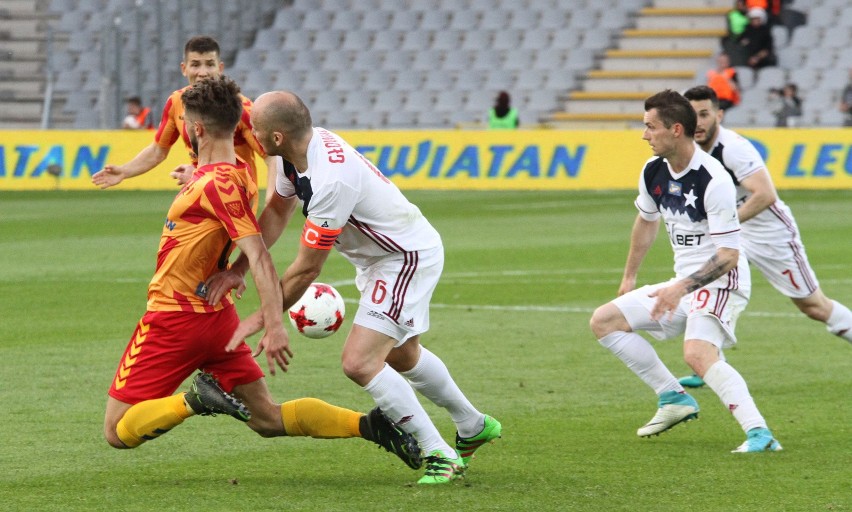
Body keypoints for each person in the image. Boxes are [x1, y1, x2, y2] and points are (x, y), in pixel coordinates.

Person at [102, 76, 422, 474]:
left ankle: (197, 400)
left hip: (174, 317)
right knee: (268, 419)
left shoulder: (213, 184)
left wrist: (274, 322)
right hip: (219, 320)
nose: (182, 127)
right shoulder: (238, 173)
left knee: (116, 430)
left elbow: (258, 255)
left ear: (197, 128)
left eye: (185, 121)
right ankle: (372, 426)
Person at [205, 90, 502, 485]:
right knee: (401, 353)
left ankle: (438, 453)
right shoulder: (294, 154)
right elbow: (277, 210)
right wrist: (241, 268)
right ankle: (472, 424)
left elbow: (306, 269)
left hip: (402, 259)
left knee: (359, 362)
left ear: (277, 136)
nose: (250, 135)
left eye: (255, 129)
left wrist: (263, 318)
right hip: (381, 258)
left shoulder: (330, 180)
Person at [589, 89, 782, 453]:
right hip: (683, 284)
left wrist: (680, 290)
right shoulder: (653, 171)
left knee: (696, 354)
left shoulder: (714, 180)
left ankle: (760, 434)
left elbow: (729, 255)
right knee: (604, 321)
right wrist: (629, 276)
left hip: (723, 281)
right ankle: (673, 398)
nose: (644, 135)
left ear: (675, 129)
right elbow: (646, 222)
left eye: (651, 127)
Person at [674, 85, 852, 388]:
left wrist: (724, 224)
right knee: (706, 290)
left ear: (719, 114)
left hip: (770, 234)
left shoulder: (733, 148)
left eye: (705, 114)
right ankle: (709, 361)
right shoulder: (689, 151)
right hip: (733, 234)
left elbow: (765, 195)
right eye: (693, 116)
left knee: (813, 306)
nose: (699, 122)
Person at [92, 36, 278, 206]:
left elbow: (272, 157)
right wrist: (125, 171)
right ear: (184, 68)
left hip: (234, 199)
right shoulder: (176, 102)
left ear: (220, 68)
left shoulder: (241, 108)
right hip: (198, 190)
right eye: (196, 64)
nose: (203, 72)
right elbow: (158, 150)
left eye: (209, 64)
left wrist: (272, 202)